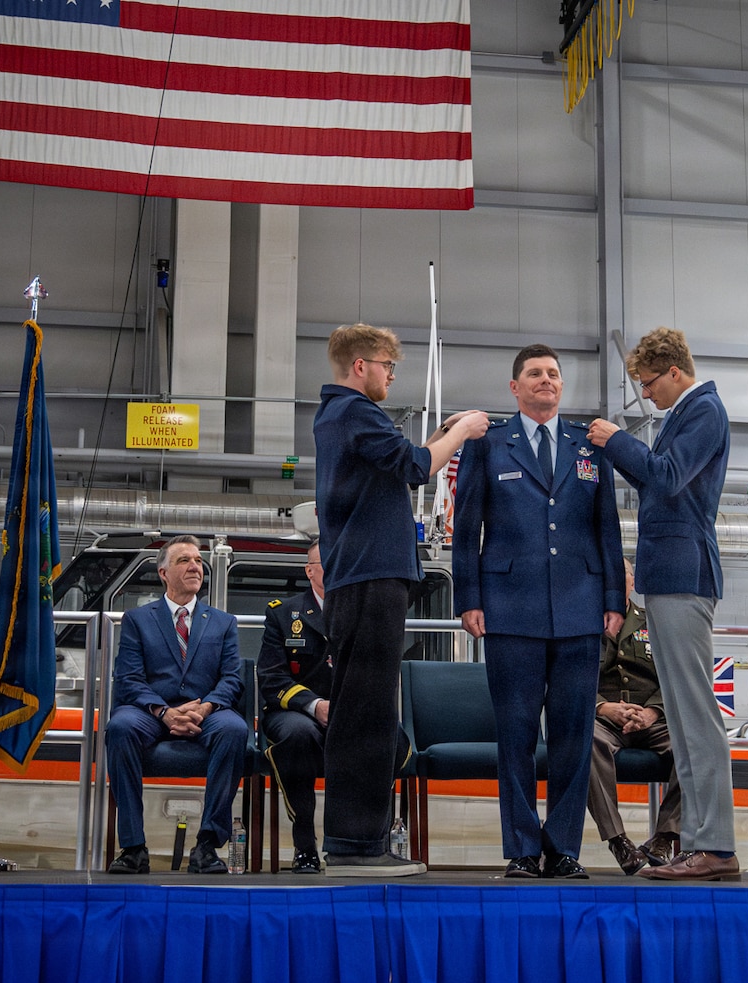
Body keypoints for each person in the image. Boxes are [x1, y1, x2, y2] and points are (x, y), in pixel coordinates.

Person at [314, 323, 488, 876]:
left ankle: (354, 838)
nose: (392, 374)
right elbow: (416, 466)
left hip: (362, 575)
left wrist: (435, 436)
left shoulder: (339, 415)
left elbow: (402, 457)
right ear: (361, 364)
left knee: (362, 708)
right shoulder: (355, 412)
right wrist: (462, 431)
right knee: (366, 712)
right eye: (388, 365)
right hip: (370, 575)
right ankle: (356, 845)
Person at [453, 343, 624, 879]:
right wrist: (469, 597)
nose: (546, 381)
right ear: (515, 387)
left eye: (553, 373)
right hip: (509, 608)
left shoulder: (588, 444)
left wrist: (614, 599)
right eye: (534, 373)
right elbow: (465, 528)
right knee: (517, 734)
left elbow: (608, 528)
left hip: (581, 607)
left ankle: (564, 848)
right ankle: (524, 848)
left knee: (574, 736)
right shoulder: (488, 443)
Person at [588, 327, 738, 881]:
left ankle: (716, 845)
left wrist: (617, 442)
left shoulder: (704, 410)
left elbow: (668, 478)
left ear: (675, 370)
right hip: (670, 573)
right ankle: (701, 842)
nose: (646, 394)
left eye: (649, 383)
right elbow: (657, 481)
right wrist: (621, 451)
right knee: (683, 714)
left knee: (696, 718)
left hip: (684, 573)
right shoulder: (684, 414)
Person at [106, 535, 247, 875]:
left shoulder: (223, 622)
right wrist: (164, 712)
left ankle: (208, 847)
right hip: (150, 712)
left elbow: (232, 678)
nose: (195, 567)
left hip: (205, 711)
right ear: (163, 573)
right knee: (120, 727)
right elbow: (128, 679)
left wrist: (206, 707)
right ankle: (133, 848)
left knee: (235, 729)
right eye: (184, 560)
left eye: (198, 561)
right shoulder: (138, 620)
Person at [589, 558, 683, 875]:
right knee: (584, 743)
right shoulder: (581, 619)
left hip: (651, 716)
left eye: (623, 576)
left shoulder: (653, 622)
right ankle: (619, 841)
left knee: (697, 748)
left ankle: (663, 838)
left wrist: (653, 712)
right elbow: (569, 677)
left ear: (632, 582)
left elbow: (673, 674)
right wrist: (603, 707)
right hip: (603, 717)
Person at [255, 539, 330, 874]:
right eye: (324, 560)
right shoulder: (284, 614)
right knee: (297, 735)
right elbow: (271, 679)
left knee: (388, 736)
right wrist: (315, 705)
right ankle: (305, 847)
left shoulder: (361, 610)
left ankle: (368, 843)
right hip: (295, 713)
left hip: (349, 711)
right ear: (309, 570)